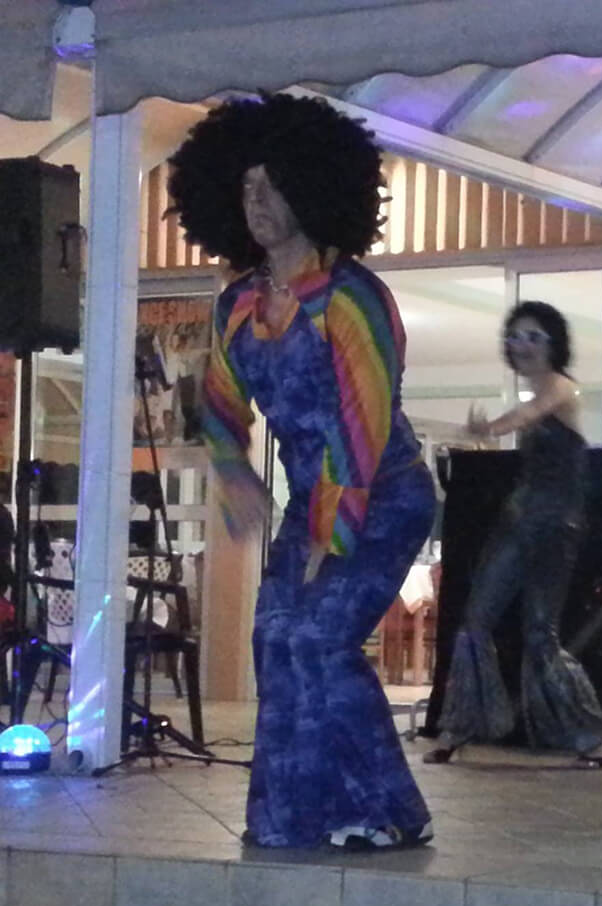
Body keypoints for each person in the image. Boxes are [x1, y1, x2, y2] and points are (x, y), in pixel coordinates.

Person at [168, 94, 435, 850]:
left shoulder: (352, 300)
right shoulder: (237, 306)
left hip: (384, 495)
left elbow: (362, 425)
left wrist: (331, 534)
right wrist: (233, 470)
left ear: (312, 189)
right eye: (246, 186)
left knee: (318, 638)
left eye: (273, 185)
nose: (256, 202)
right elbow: (220, 406)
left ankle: (390, 811)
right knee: (273, 641)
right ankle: (291, 816)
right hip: (312, 499)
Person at [425, 302, 602, 768]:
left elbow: (530, 413)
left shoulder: (563, 388)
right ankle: (457, 727)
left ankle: (593, 738)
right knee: (475, 621)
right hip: (518, 523)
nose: (523, 345)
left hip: (555, 529)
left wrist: (490, 428)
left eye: (534, 336)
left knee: (539, 633)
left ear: (554, 343)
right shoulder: (538, 395)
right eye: (515, 337)